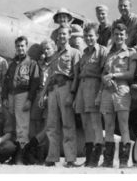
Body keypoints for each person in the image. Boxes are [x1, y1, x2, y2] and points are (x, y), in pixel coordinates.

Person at [40, 23, 80, 167]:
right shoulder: (55, 55)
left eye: (64, 34)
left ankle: (70, 159)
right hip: (52, 90)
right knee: (51, 126)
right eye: (59, 34)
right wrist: (43, 94)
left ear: (69, 36)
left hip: (66, 88)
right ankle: (52, 157)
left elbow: (76, 76)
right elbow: (50, 75)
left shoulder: (75, 53)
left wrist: (72, 94)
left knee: (68, 124)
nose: (62, 36)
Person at [99, 23, 137, 168]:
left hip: (121, 90)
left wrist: (113, 75)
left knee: (123, 126)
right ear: (113, 36)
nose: (119, 36)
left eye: (121, 34)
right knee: (108, 126)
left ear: (126, 36)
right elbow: (103, 74)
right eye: (116, 34)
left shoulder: (131, 52)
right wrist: (106, 80)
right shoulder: (109, 54)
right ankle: (108, 160)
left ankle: (123, 161)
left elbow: (130, 74)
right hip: (107, 90)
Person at [2, 36, 40, 164]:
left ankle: (22, 156)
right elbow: (6, 81)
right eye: (18, 46)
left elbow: (34, 83)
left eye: (22, 46)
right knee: (13, 125)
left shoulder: (32, 63)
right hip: (11, 96)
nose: (20, 48)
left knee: (22, 126)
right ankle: (14, 152)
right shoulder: (12, 64)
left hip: (23, 95)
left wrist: (29, 99)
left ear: (26, 47)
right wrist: (4, 96)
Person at [74, 23, 107, 167]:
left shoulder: (102, 51)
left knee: (95, 123)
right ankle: (88, 157)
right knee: (86, 123)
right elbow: (81, 75)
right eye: (86, 36)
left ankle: (96, 156)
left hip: (94, 87)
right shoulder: (84, 53)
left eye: (91, 35)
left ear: (97, 36)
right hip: (82, 88)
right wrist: (77, 96)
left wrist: (99, 94)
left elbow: (104, 74)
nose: (88, 38)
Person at [26, 39, 57, 164]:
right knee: (35, 122)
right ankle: (37, 154)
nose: (46, 51)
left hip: (51, 93)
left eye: (48, 48)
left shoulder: (56, 63)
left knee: (48, 124)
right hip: (40, 94)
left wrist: (47, 94)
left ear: (54, 49)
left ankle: (42, 150)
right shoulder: (40, 64)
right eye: (44, 49)